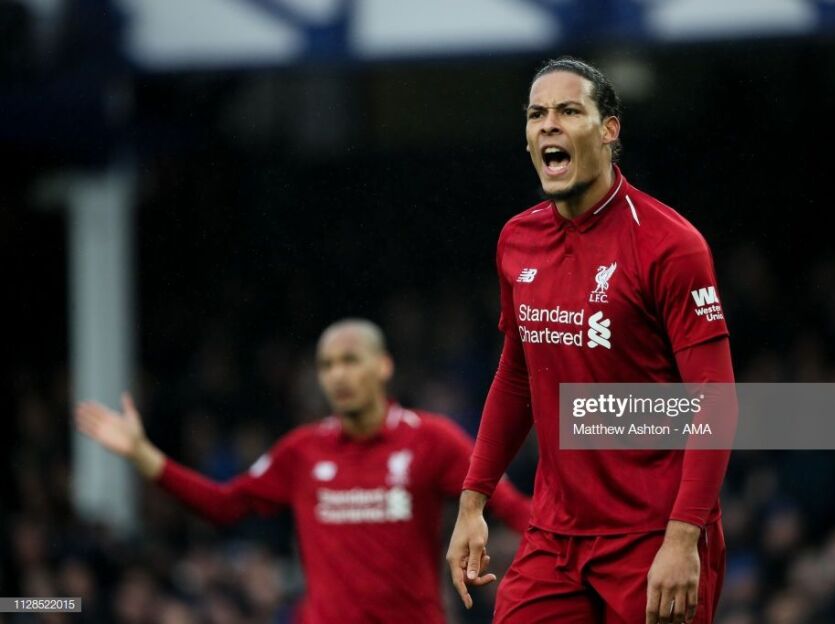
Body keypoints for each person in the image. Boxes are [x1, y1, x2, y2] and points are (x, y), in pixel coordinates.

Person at [446, 57, 737, 624]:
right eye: (537, 114)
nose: (548, 125)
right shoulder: (517, 239)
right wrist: (473, 501)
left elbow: (715, 400)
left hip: (652, 534)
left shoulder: (670, 245)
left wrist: (683, 538)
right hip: (555, 536)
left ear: (609, 130)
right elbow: (516, 376)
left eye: (568, 111)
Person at [75, 318, 530, 624]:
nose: (338, 375)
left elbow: (513, 509)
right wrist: (142, 454)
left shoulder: (430, 439)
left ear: (383, 366)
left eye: (350, 360)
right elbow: (224, 505)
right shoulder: (302, 452)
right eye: (326, 365)